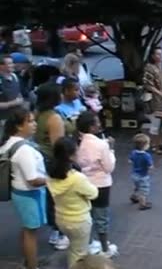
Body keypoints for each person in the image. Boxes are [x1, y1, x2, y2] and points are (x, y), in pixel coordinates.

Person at [0, 108, 47, 269]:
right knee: (31, 232)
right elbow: (33, 179)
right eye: (30, 121)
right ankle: (32, 265)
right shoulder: (24, 150)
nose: (34, 124)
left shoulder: (9, 143)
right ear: (19, 126)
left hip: (20, 192)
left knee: (28, 228)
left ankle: (30, 260)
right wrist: (51, 180)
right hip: (29, 194)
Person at [47, 137, 99, 268]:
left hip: (61, 218)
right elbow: (94, 193)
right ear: (70, 156)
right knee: (79, 254)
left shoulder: (50, 174)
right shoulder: (77, 178)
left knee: (74, 248)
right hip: (79, 221)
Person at [34, 82, 71, 250]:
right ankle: (60, 233)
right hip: (53, 161)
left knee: (50, 198)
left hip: (42, 159)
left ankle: (56, 231)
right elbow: (59, 145)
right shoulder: (54, 118)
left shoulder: (38, 114)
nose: (62, 94)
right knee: (59, 198)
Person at [76, 111, 118, 258]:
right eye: (97, 122)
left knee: (88, 214)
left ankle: (89, 243)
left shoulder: (79, 142)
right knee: (102, 217)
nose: (100, 124)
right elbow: (109, 167)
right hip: (101, 184)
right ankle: (105, 248)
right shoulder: (101, 145)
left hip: (84, 183)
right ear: (91, 127)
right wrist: (111, 149)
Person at [142, 47, 162, 155]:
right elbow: (148, 86)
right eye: (158, 54)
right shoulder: (149, 68)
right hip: (154, 100)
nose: (161, 56)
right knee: (156, 123)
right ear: (153, 56)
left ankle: (161, 143)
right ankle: (154, 146)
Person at [129, 133, 154, 210]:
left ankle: (134, 196)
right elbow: (150, 166)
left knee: (136, 187)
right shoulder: (147, 156)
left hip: (134, 174)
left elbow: (130, 161)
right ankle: (142, 204)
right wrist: (151, 169)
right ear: (145, 145)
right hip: (143, 175)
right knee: (144, 190)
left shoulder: (133, 152)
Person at [0, 55, 24, 129]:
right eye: (9, 64)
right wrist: (13, 103)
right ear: (1, 66)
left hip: (16, 117)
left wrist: (21, 99)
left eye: (12, 63)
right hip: (3, 119)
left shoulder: (14, 76)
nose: (12, 65)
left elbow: (18, 93)